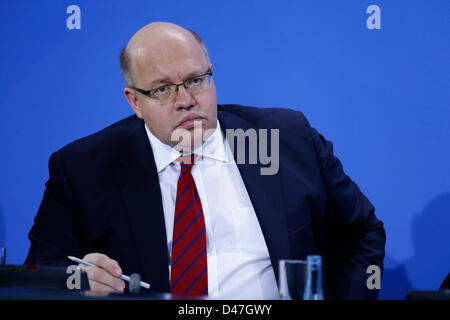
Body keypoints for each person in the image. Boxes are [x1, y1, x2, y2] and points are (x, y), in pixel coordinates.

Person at [25, 22, 386, 299]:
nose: (186, 100)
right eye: (162, 89)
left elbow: (362, 234)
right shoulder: (83, 168)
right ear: (134, 101)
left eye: (196, 80)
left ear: (211, 74)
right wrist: (78, 281)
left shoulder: (285, 139)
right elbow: (40, 271)